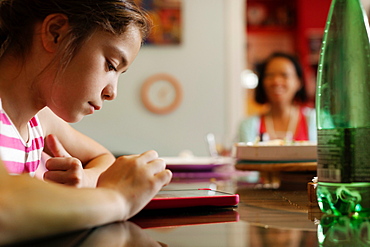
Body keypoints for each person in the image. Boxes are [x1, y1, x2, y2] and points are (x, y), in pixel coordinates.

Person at [0, 0, 172, 244]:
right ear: (56, 33)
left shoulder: (40, 120)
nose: (112, 92)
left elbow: (104, 159)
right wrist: (118, 198)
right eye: (111, 65)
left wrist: (87, 180)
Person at [239, 52, 316, 143]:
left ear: (298, 82)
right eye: (270, 75)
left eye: (284, 75)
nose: (276, 81)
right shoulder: (248, 125)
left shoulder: (316, 121)